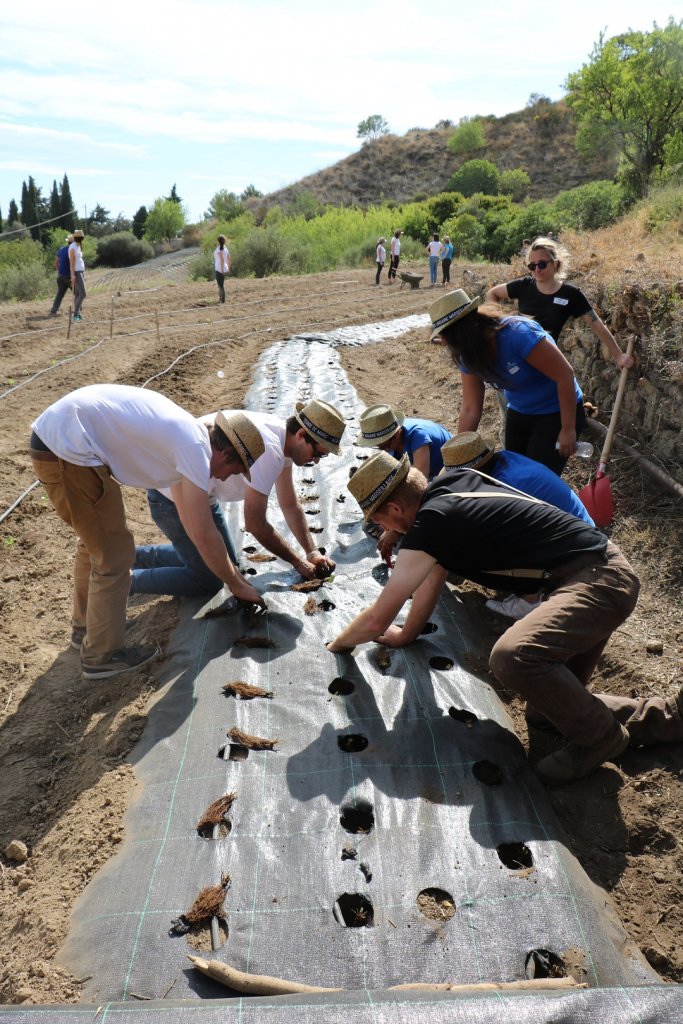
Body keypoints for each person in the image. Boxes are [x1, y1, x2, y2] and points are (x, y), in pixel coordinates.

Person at [327, 452, 683, 774]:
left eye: (381, 521)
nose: (387, 530)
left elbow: (377, 618)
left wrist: (337, 646)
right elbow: (430, 582)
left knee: (513, 657)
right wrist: (406, 635)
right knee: (544, 713)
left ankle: (602, 738)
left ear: (393, 508)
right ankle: (668, 718)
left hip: (599, 580)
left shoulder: (433, 522)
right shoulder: (448, 491)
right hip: (590, 574)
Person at [30, 385, 264, 680]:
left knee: (97, 546)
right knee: (113, 556)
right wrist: (236, 582)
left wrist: (229, 575)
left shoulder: (190, 439)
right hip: (68, 450)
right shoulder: (193, 449)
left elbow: (192, 522)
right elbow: (204, 532)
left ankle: (88, 628)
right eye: (234, 470)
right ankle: (101, 656)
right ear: (227, 453)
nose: (227, 477)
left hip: (65, 443)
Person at [130, 398, 345, 596]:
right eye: (318, 453)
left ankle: (130, 557)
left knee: (226, 564)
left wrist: (312, 553)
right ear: (300, 435)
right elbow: (255, 524)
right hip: (172, 498)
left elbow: (289, 504)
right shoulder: (269, 450)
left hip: (204, 496)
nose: (316, 461)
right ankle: (122, 582)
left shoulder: (283, 440)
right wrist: (297, 562)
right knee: (209, 580)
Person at [430, 288, 586, 476]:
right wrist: (459, 454)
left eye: (446, 338)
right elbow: (471, 408)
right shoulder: (467, 354)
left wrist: (568, 428)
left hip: (555, 411)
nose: (446, 344)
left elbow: (565, 376)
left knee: (538, 478)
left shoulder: (517, 334)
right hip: (520, 411)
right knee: (513, 475)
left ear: (460, 332)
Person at [440, 431, 594, 620]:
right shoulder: (504, 460)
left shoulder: (506, 485)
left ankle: (528, 600)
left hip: (575, 551)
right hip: (580, 534)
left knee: (494, 539)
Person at [486, 236, 634, 370]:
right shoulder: (523, 286)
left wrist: (618, 355)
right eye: (532, 266)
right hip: (512, 358)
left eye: (542, 264)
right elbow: (492, 293)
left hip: (545, 362)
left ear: (555, 263)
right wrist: (496, 327)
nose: (537, 269)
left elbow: (596, 323)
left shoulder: (571, 294)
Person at [356, 404, 452, 563]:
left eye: (380, 442)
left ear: (393, 435)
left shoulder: (418, 436)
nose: (379, 447)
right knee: (371, 524)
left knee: (418, 522)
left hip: (446, 472)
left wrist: (394, 531)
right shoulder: (392, 445)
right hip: (426, 476)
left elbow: (418, 490)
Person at [49, 235, 73, 316]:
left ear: (68, 242)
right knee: (78, 293)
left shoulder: (61, 249)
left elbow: (55, 263)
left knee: (60, 294)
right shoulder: (72, 251)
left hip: (60, 276)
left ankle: (54, 310)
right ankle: (77, 310)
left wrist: (59, 271)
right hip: (69, 277)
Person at [69, 229, 86, 321]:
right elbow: (71, 263)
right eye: (81, 237)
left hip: (81, 271)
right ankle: (75, 315)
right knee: (83, 294)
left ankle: (77, 314)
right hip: (76, 272)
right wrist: (72, 275)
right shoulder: (72, 247)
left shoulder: (78, 246)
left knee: (78, 294)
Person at [214, 235, 230, 303]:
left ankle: (222, 300)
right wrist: (228, 267)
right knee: (221, 285)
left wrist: (222, 270)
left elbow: (222, 259)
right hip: (223, 268)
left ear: (218, 241)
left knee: (220, 285)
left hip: (219, 268)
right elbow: (229, 258)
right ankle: (221, 299)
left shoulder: (218, 250)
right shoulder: (225, 248)